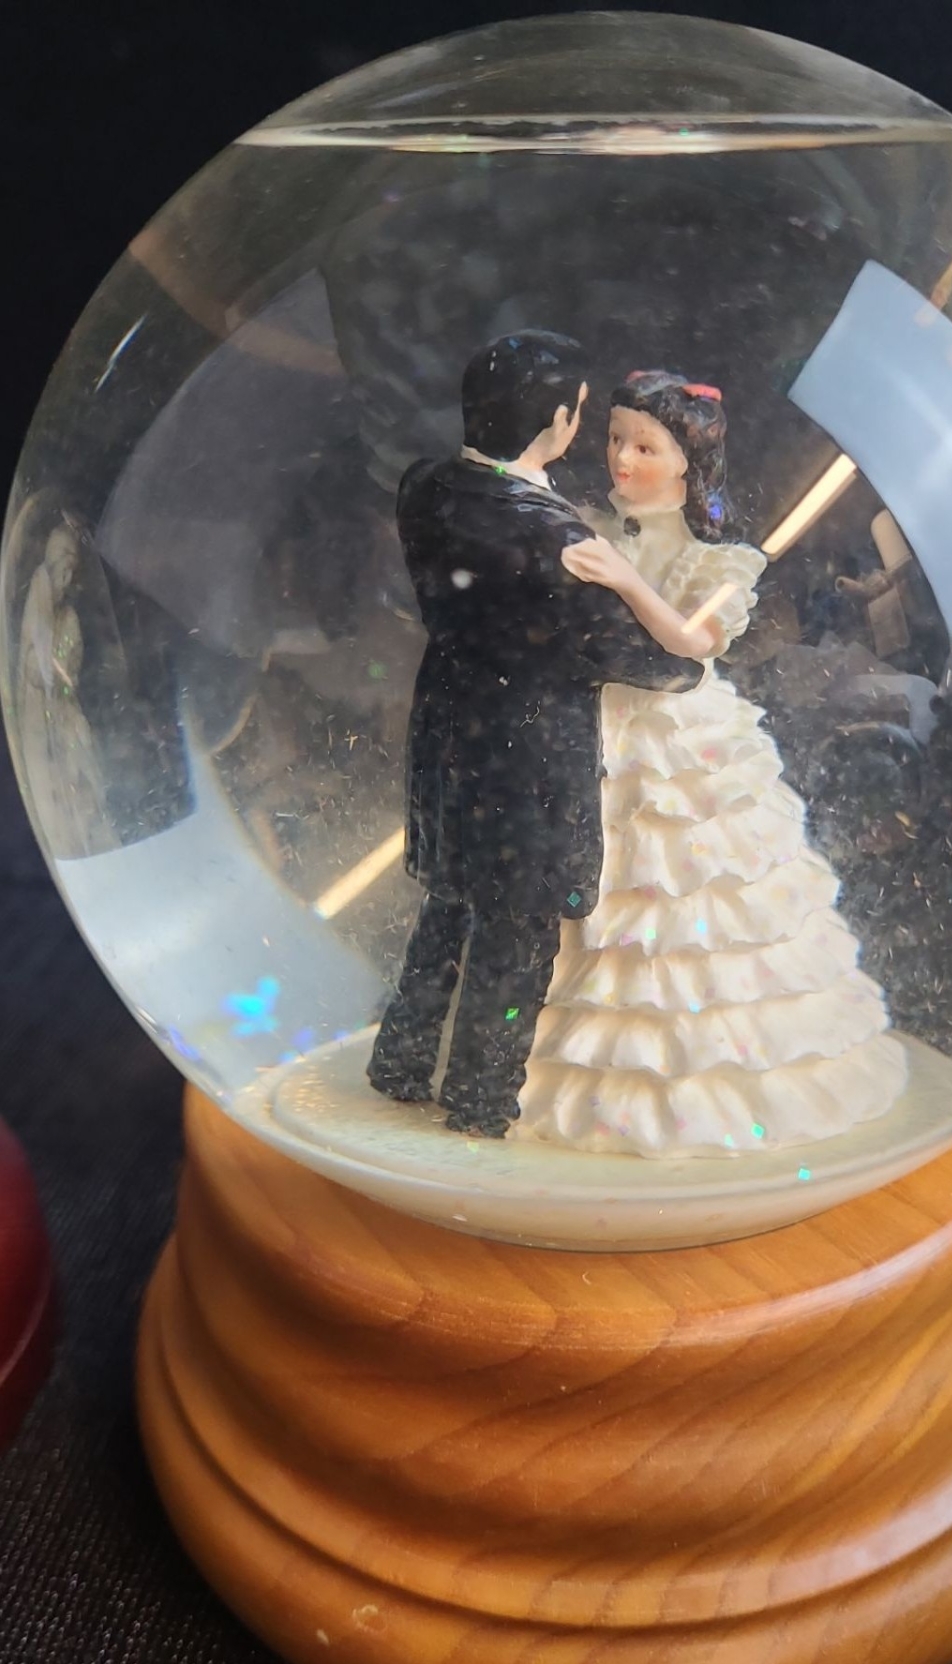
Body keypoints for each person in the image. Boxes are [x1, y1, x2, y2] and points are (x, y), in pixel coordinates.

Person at [509, 370, 908, 1156]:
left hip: (676, 731)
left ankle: (688, 1089)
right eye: (616, 438)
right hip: (586, 717)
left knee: (680, 888)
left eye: (645, 446)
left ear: (688, 464)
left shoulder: (717, 564)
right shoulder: (590, 524)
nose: (623, 458)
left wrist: (626, 578)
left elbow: (693, 642)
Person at [368, 333, 703, 1136]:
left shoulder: (424, 487)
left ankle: (401, 1062)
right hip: (529, 756)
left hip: (448, 734)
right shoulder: (555, 540)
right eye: (582, 413)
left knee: (449, 904)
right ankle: (479, 1104)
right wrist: (683, 657)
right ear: (558, 420)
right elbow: (646, 659)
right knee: (514, 934)